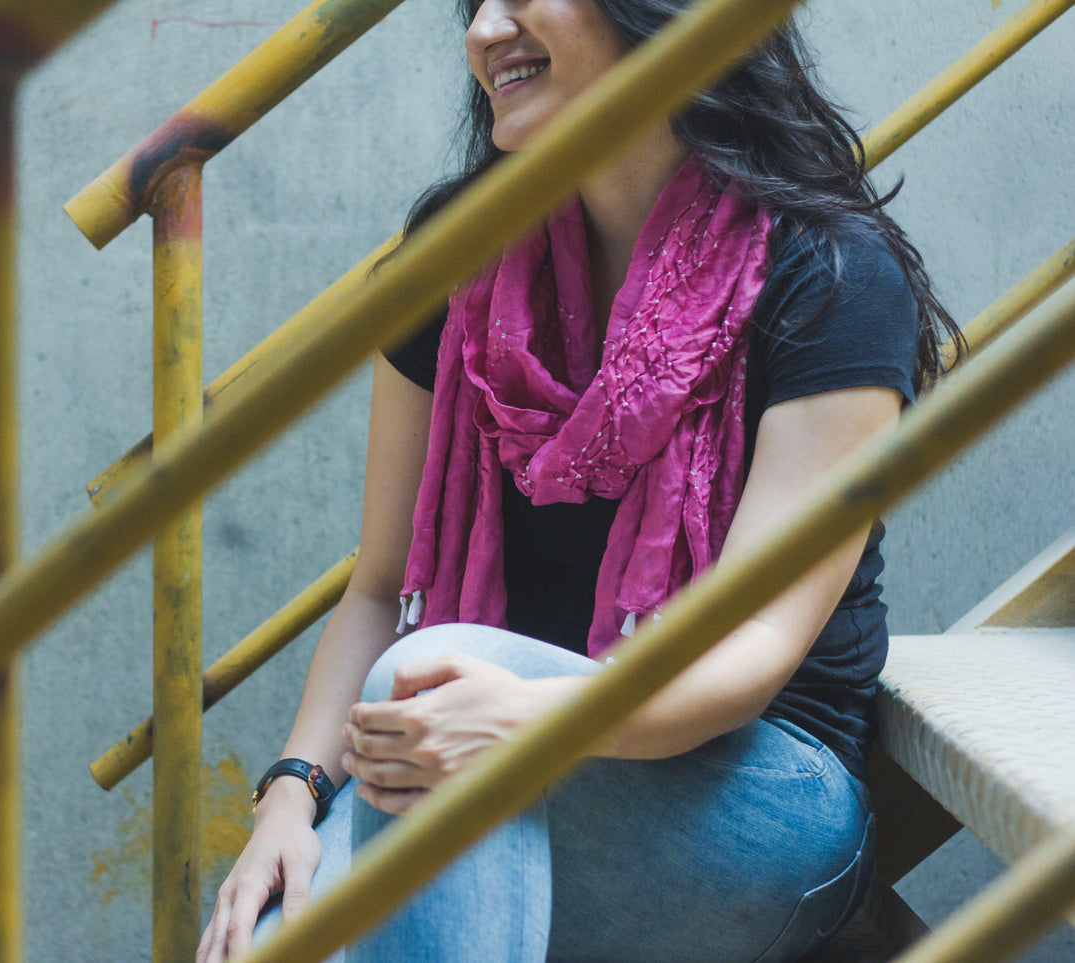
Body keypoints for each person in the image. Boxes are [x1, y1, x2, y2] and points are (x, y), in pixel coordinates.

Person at [197, 0, 961, 960]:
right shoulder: (454, 252)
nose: (483, 29)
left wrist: (520, 718)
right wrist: (288, 796)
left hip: (756, 789)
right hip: (488, 767)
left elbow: (754, 643)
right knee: (262, 934)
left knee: (427, 685)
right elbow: (379, 585)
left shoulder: (829, 273)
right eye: (473, 4)